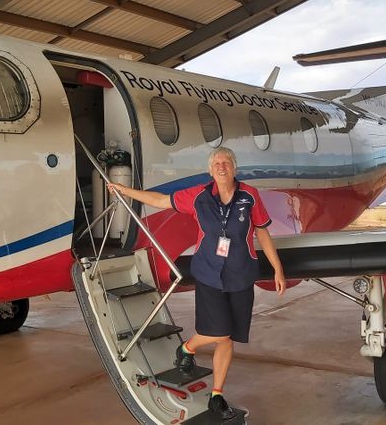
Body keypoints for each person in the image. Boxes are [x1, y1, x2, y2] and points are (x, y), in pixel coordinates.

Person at [108, 146, 287, 419]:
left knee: (228, 339)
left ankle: (216, 394)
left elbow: (262, 232)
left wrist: (277, 269)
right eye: (217, 163)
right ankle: (187, 348)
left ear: (234, 168)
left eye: (226, 162)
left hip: (241, 275)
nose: (222, 166)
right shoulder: (198, 196)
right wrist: (124, 191)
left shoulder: (250, 196)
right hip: (209, 274)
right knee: (220, 333)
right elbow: (160, 200)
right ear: (210, 170)